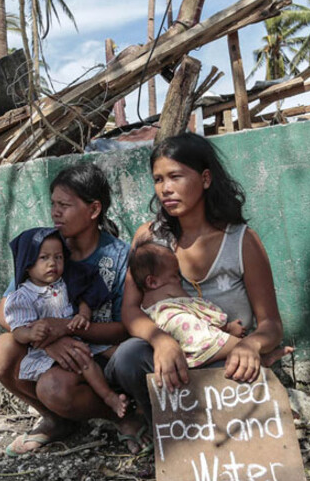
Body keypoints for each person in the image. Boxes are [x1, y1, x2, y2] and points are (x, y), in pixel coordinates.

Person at [106, 132, 286, 422]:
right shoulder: (149, 238)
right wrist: (161, 341)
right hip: (169, 359)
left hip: (226, 358)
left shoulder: (241, 241)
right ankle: (168, 429)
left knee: (239, 368)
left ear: (205, 179)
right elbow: (129, 310)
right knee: (128, 357)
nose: (165, 189)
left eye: (175, 176)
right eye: (158, 179)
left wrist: (251, 346)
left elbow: (272, 324)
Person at [0, 163, 143, 455]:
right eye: (53, 204)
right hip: (49, 348)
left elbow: (126, 327)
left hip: (99, 356)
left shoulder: (120, 256)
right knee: (2, 350)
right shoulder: (46, 249)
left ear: (94, 209)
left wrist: (68, 329)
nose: (55, 212)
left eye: (65, 205)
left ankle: (121, 416)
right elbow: (4, 312)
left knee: (54, 388)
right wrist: (48, 339)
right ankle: (56, 419)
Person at [3, 227, 127, 429]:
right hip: (45, 351)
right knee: (84, 363)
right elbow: (17, 328)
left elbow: (85, 295)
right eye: (44, 258)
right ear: (27, 264)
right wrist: (31, 334)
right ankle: (107, 400)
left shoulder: (64, 281)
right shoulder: (22, 296)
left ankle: (124, 396)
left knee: (113, 354)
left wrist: (83, 314)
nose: (53, 263)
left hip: (77, 338)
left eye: (58, 257)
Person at [129, 239, 290, 368]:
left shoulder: (147, 300)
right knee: (197, 330)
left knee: (200, 333)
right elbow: (198, 308)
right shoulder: (169, 291)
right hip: (180, 334)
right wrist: (223, 322)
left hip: (178, 341)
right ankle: (260, 355)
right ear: (152, 281)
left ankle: (256, 355)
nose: (179, 280)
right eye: (174, 276)